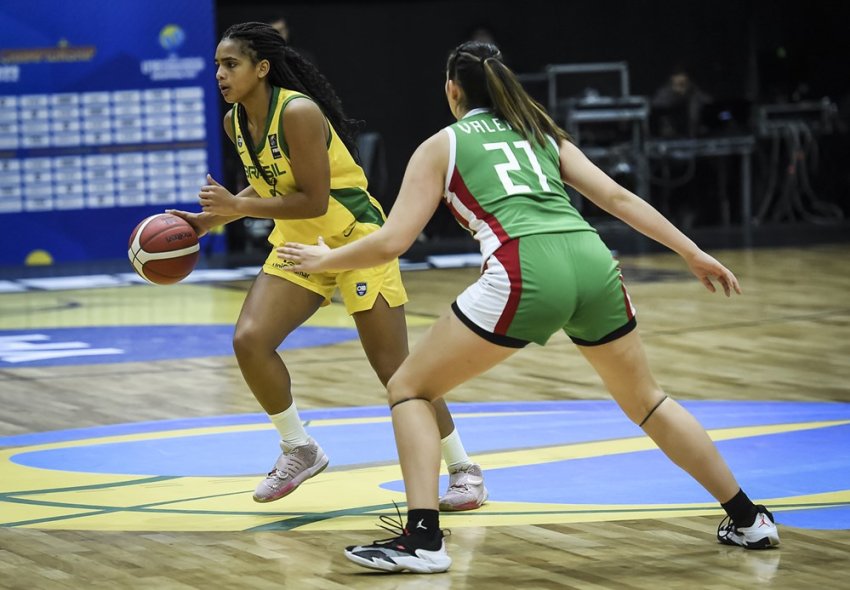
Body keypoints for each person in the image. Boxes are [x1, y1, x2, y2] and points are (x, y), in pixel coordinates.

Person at [278, 40, 780, 574]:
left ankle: (422, 539)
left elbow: (393, 240)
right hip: (593, 260)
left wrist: (326, 256)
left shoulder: (440, 144)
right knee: (648, 401)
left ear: (452, 90)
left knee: (408, 389)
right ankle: (748, 517)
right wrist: (693, 252)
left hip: (526, 267)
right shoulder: (540, 132)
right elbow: (620, 200)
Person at [168, 22, 487, 512]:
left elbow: (314, 199)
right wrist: (213, 219)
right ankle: (300, 447)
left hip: (354, 238)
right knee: (249, 340)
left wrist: (237, 207)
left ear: (262, 68)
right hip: (300, 243)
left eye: (230, 64)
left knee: (396, 370)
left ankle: (464, 468)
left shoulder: (298, 111)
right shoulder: (236, 121)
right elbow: (271, 183)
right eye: (216, 65)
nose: (220, 74)